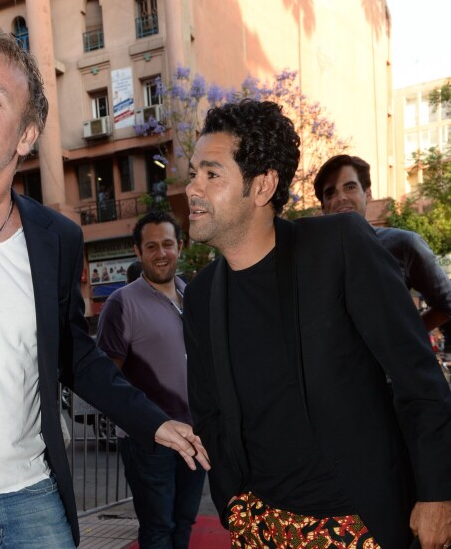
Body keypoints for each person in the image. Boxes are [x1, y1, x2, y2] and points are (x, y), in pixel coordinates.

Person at [0, 25, 209, 549]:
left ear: (26, 136)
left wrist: (153, 422)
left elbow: (74, 352)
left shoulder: (57, 238)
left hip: (32, 497)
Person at [183, 99, 451, 548]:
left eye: (211, 174)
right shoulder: (201, 295)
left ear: (263, 185)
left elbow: (417, 377)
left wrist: (438, 493)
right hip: (262, 526)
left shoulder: (338, 248)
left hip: (358, 523)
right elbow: (209, 412)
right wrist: (234, 506)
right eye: (193, 173)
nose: (192, 188)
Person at [97, 211, 206, 548]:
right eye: (152, 246)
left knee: (184, 521)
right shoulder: (121, 303)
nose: (161, 253)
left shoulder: (193, 297)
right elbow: (104, 377)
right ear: (138, 251)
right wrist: (143, 421)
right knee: (159, 527)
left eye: (168, 244)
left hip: (194, 434)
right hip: (148, 439)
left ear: (181, 246)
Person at [313, 154, 451, 332]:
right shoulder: (312, 257)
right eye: (330, 192)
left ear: (367, 194)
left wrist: (406, 337)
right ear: (323, 206)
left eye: (350, 187)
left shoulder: (403, 244)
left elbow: (446, 303)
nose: (341, 198)